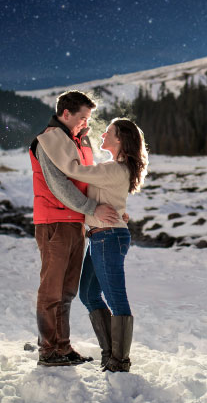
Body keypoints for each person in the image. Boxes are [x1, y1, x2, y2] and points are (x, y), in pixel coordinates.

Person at [38, 117, 149, 372]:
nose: (102, 135)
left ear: (119, 139)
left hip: (109, 237)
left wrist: (51, 141)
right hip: (101, 236)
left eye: (108, 132)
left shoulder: (113, 169)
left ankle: (120, 361)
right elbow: (110, 199)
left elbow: (74, 170)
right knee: (88, 294)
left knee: (115, 297)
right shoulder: (114, 168)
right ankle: (110, 352)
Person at [28, 90, 121, 367]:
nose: (86, 123)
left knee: (67, 289)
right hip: (54, 222)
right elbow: (59, 185)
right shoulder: (48, 141)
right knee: (52, 289)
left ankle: (62, 347)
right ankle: (48, 350)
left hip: (75, 221)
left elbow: (88, 179)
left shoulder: (78, 140)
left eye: (88, 118)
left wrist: (109, 204)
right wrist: (92, 208)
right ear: (65, 114)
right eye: (82, 118)